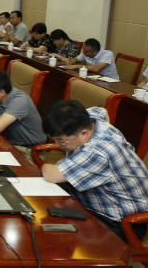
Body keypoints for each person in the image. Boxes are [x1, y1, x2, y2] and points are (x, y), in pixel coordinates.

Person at [40, 101, 148, 243]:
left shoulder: (97, 152)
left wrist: (46, 164)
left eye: (61, 141)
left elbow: (50, 175)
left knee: (59, 238)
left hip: (120, 220)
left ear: (84, 134)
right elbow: (102, 110)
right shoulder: (90, 119)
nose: (58, 145)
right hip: (97, 202)